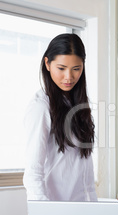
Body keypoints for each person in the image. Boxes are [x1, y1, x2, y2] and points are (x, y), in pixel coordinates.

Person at [23, 33, 97, 201]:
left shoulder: (78, 104)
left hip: (85, 206)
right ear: (47, 64)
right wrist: (44, 213)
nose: (69, 77)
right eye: (61, 68)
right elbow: (33, 171)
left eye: (76, 69)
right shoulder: (41, 106)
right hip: (56, 210)